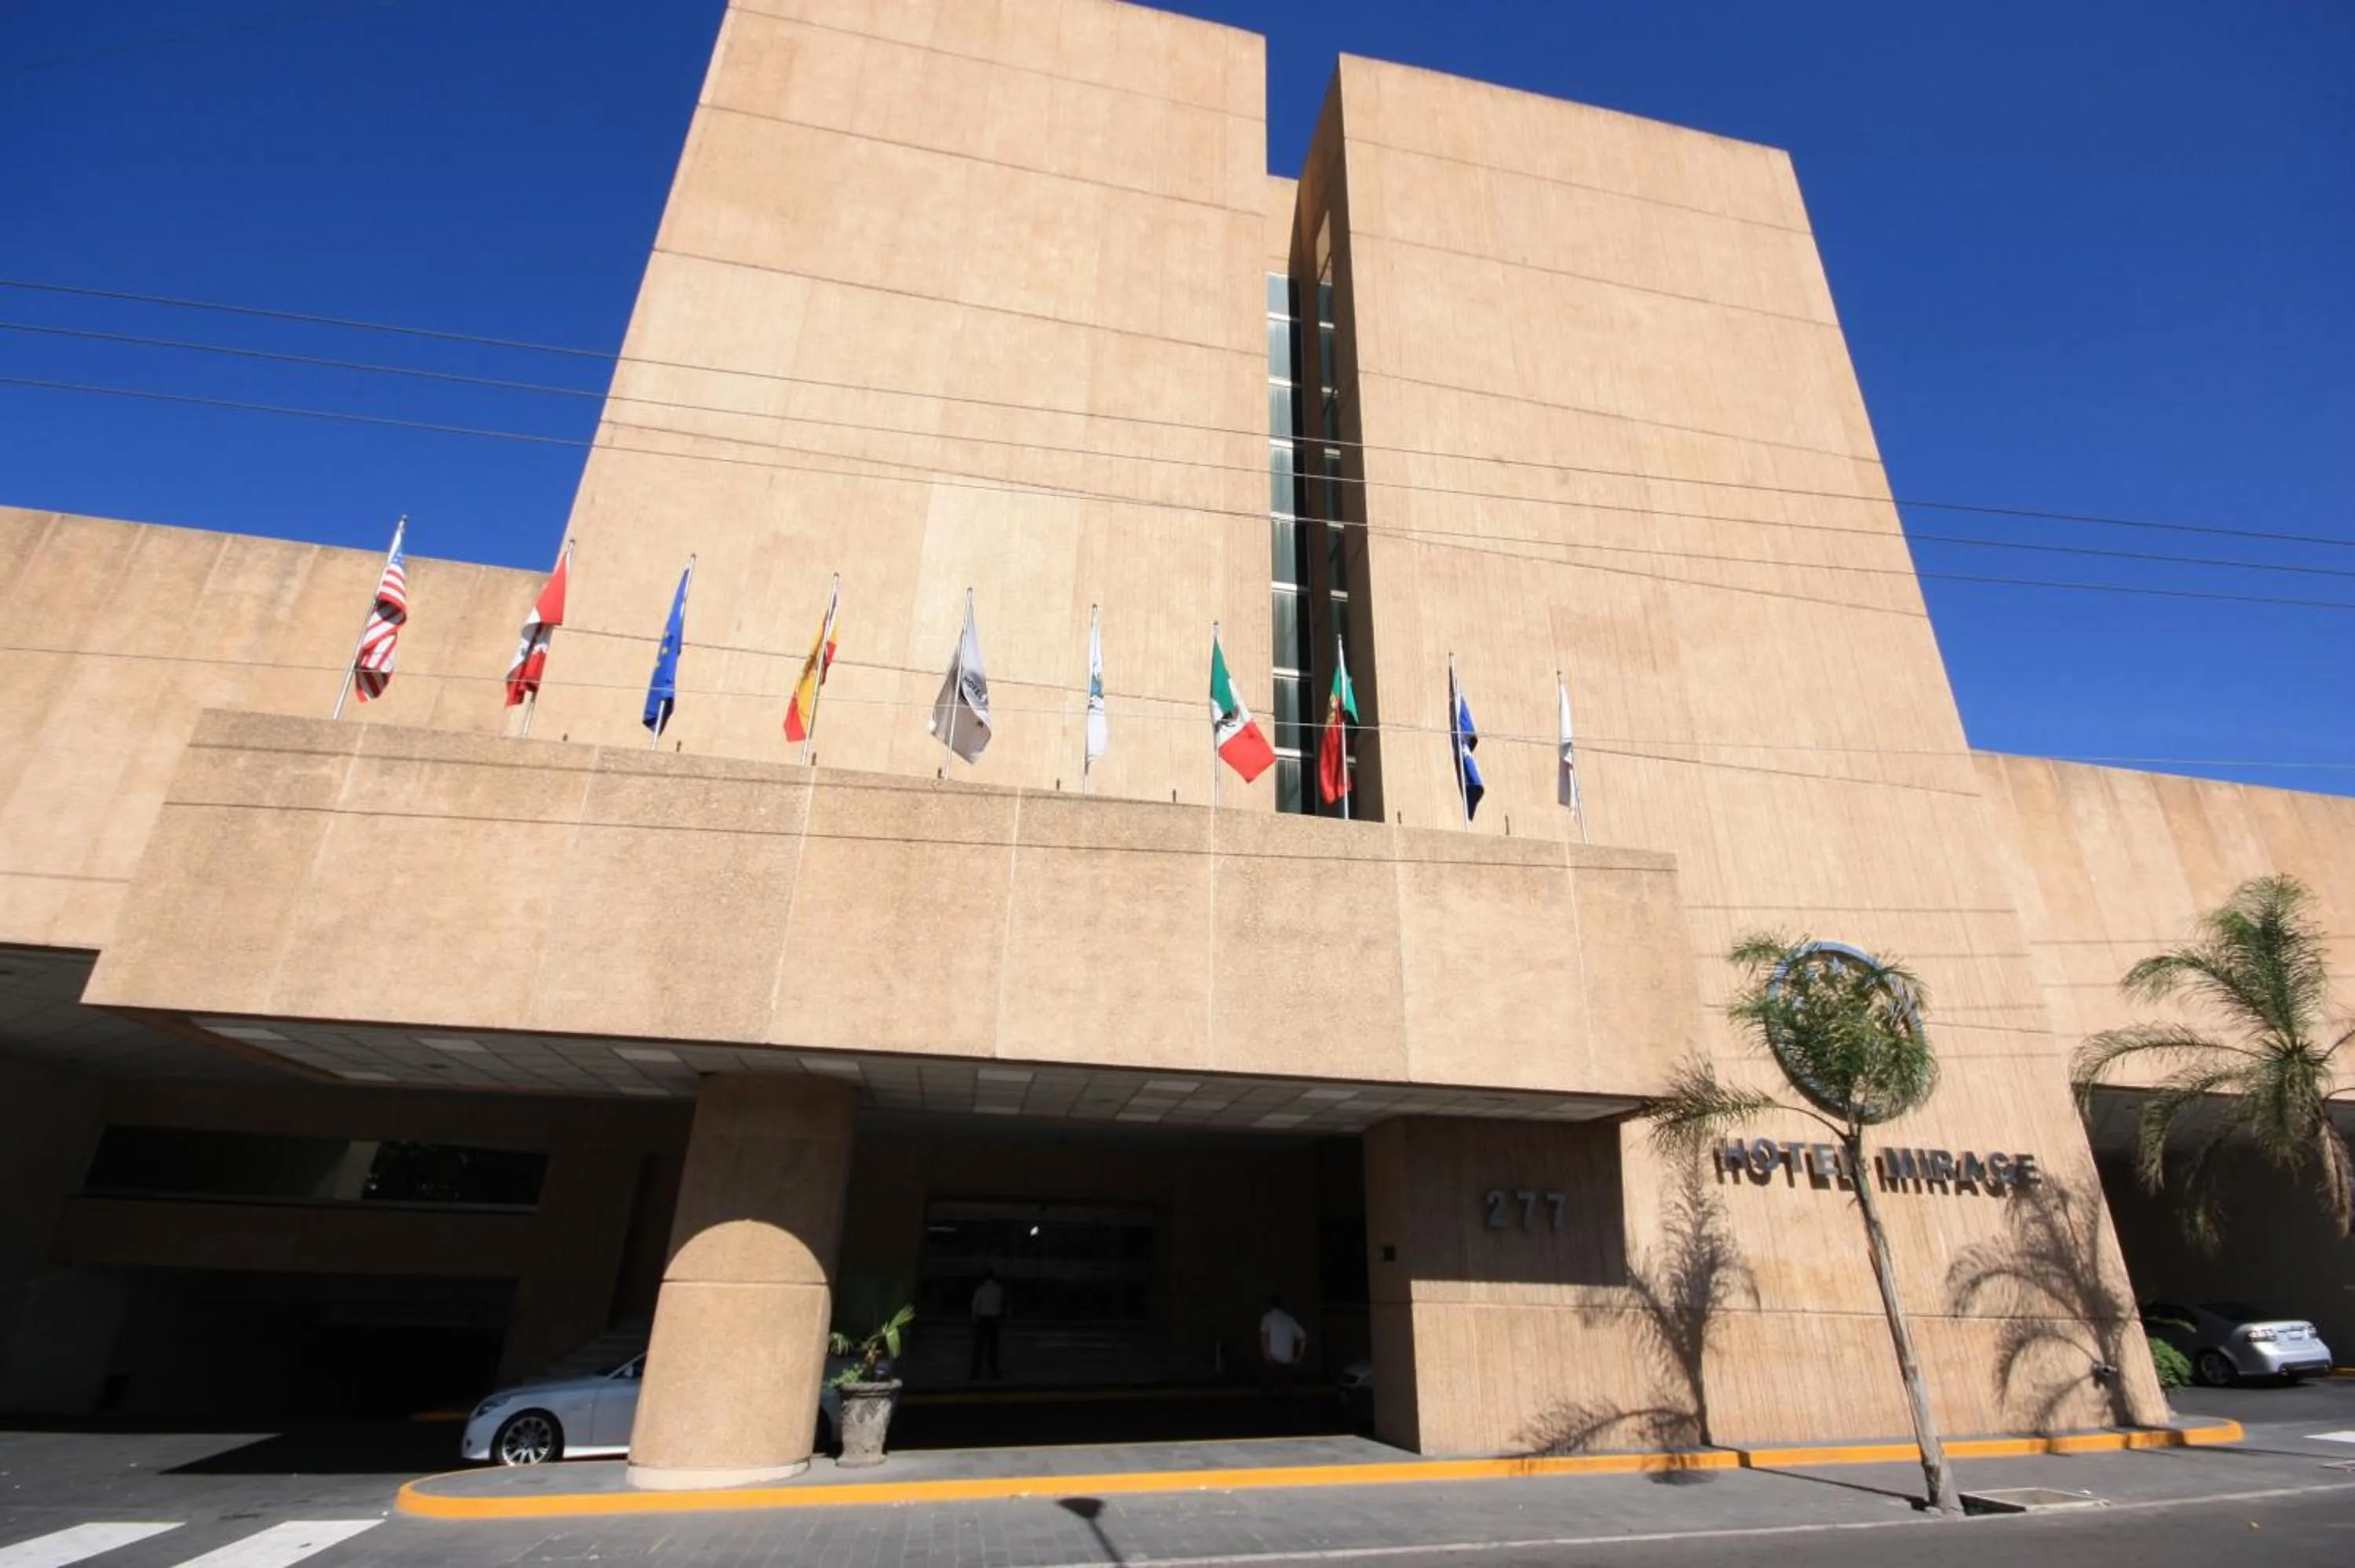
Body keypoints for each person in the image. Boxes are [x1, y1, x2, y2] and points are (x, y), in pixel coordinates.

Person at [1258, 1293, 1306, 1390]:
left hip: (1274, 1362)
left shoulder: (1268, 1318)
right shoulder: (1290, 1320)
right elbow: (1303, 1338)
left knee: (1269, 1392)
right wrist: (1299, 1357)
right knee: (1286, 1393)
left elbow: (1264, 1336)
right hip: (1288, 1363)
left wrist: (1266, 1354)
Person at [969, 1267, 1006, 1380]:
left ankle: (976, 1372)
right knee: (993, 1347)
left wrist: (974, 1318)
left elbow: (975, 1305)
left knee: (979, 1347)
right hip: (994, 1319)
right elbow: (1001, 1304)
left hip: (982, 1319)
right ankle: (994, 1372)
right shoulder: (999, 1289)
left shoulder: (980, 1290)